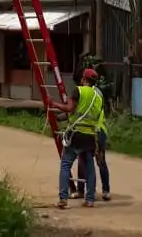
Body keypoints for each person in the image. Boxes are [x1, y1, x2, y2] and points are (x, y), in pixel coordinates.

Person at [49, 67, 104, 208]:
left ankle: (63, 199)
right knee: (90, 168)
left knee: (66, 164)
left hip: (76, 135)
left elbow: (69, 109)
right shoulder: (98, 97)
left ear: (83, 79)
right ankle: (90, 199)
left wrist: (54, 104)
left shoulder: (78, 90)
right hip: (90, 136)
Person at [71, 69, 111, 201]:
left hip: (93, 130)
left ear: (84, 79)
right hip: (97, 129)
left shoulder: (86, 92)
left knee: (86, 160)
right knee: (96, 161)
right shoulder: (97, 92)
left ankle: (86, 191)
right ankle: (104, 191)